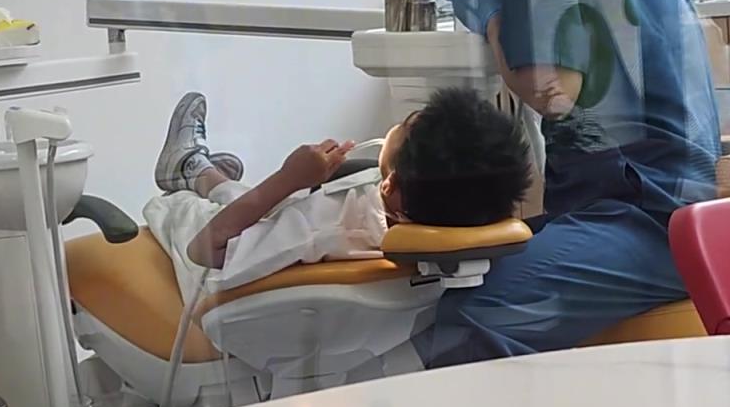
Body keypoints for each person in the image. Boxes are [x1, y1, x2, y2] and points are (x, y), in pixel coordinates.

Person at [421, 0, 721, 366]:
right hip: (684, 200)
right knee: (482, 262)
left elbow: (552, 91)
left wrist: (492, 16)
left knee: (472, 315)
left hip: (643, 216)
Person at [144, 90, 532, 306]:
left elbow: (206, 248)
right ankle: (205, 172)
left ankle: (190, 171)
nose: (396, 125)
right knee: (255, 200)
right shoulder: (446, 231)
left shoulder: (327, 225)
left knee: (196, 207)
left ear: (391, 186)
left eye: (405, 124)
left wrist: (287, 178)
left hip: (201, 265)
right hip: (272, 233)